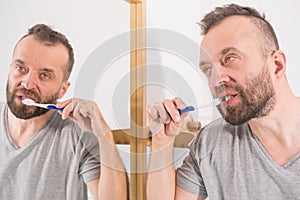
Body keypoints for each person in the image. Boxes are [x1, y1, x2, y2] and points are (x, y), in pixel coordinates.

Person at [146, 3, 300, 200]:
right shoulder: (210, 142)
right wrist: (162, 141)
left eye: (230, 58)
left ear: (277, 66)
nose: (216, 80)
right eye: (208, 69)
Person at [0, 24, 127, 200]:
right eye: (21, 68)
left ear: (62, 90)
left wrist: (103, 135)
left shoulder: (78, 133)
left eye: (44, 75)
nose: (27, 83)